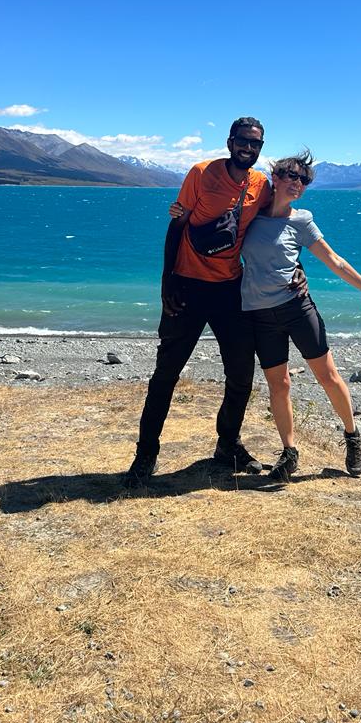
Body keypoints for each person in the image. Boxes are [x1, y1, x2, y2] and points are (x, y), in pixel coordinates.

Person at [124, 117, 275, 488]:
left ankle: (228, 446)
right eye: (243, 141)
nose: (248, 148)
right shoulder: (201, 174)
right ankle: (146, 455)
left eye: (255, 143)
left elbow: (273, 230)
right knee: (165, 375)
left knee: (241, 374)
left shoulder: (261, 185)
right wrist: (167, 281)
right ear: (229, 142)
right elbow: (176, 225)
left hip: (231, 290)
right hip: (187, 287)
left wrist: (296, 268)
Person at [239, 150, 361, 481]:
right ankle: (289, 454)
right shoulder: (248, 216)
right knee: (279, 385)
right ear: (274, 178)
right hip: (259, 314)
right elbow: (214, 220)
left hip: (297, 308)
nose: (297, 183)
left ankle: (352, 437)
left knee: (328, 377)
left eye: (303, 180)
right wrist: (181, 211)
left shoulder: (302, 220)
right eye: (291, 176)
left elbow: (333, 260)